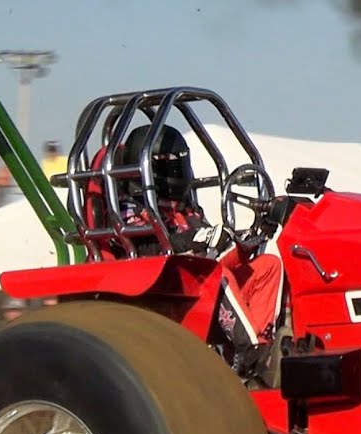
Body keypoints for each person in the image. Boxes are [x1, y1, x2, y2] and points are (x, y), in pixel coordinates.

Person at [113, 124, 285, 386]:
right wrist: (193, 240)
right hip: (161, 288)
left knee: (268, 265)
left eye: (179, 162)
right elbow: (146, 247)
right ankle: (248, 352)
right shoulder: (131, 209)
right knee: (219, 276)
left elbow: (214, 249)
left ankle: (264, 348)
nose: (177, 169)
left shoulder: (185, 209)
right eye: (168, 163)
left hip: (199, 284)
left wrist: (247, 240)